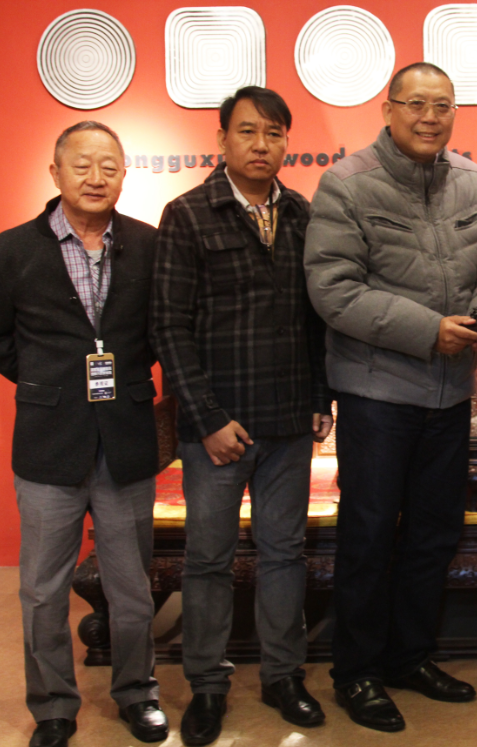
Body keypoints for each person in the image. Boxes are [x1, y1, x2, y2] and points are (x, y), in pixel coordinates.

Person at [304, 62, 477, 732]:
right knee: (367, 534)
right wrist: (429, 330)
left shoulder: (472, 180)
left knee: (432, 533)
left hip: (450, 396)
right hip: (377, 396)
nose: (429, 117)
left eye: (442, 105)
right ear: (387, 110)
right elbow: (333, 289)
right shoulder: (347, 183)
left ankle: (409, 656)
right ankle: (356, 671)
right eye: (415, 103)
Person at [0, 122, 166, 747]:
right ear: (55, 173)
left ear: (124, 174)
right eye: (82, 165)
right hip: (49, 442)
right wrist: (45, 379)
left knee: (132, 587)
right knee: (42, 590)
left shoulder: (150, 246)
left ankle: (137, 693)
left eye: (109, 166)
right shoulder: (9, 252)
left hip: (126, 438)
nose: (95, 177)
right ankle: (53, 706)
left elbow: (165, 330)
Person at [151, 86, 332, 745]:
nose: (262, 144)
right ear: (222, 139)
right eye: (248, 131)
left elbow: (316, 319)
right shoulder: (187, 214)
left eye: (274, 133)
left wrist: (319, 399)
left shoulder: (304, 214)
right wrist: (206, 419)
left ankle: (284, 676)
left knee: (285, 554)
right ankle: (207, 685)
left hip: (288, 424)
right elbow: (168, 326)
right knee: (208, 559)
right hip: (218, 429)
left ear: (287, 142)